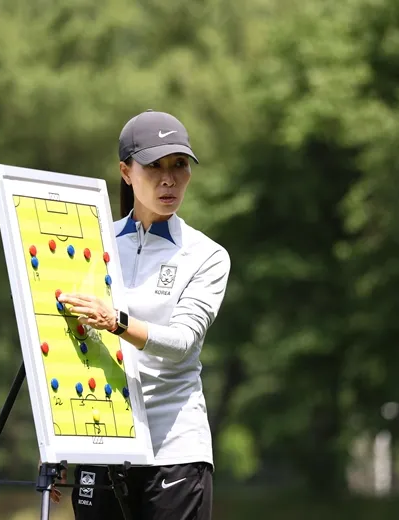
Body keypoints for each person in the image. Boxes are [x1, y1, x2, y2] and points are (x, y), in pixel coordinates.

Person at [51, 109, 231, 520]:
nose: (169, 179)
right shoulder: (92, 241)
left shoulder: (207, 255)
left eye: (179, 166)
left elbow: (182, 344)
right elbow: (69, 344)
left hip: (175, 449)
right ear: (126, 172)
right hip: (100, 437)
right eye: (154, 166)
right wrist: (59, 439)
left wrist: (115, 320)